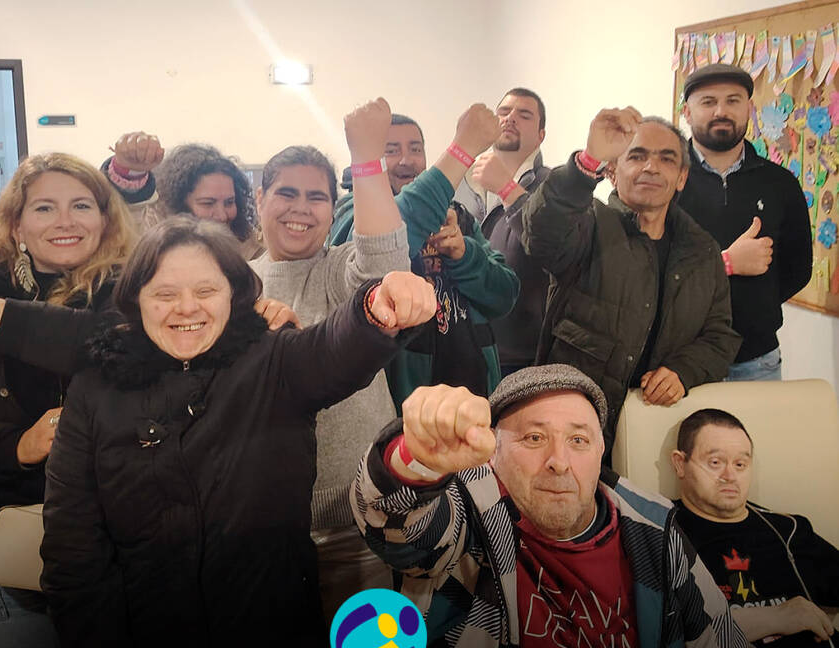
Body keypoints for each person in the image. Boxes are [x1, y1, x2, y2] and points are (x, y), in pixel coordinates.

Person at [0, 216, 437, 647]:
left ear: (235, 294)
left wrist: (377, 307)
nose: (186, 309)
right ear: (135, 299)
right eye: (164, 294)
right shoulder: (96, 388)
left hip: (272, 622)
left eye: (206, 291)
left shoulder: (274, 362)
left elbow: (336, 348)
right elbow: (71, 545)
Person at [351, 365, 749, 647]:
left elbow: (718, 636)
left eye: (578, 441)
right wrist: (416, 458)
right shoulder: (470, 513)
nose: (559, 461)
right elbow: (396, 526)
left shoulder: (655, 530)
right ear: (494, 454)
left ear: (600, 453)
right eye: (534, 438)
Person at [0, 153, 137, 647]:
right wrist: (15, 447)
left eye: (81, 205)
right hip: (3, 548)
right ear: (15, 224)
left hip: (123, 551)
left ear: (105, 218)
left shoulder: (138, 299)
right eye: (44, 208)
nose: (66, 222)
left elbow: (91, 341)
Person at [248, 98, 411, 620]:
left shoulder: (340, 270)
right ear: (259, 199)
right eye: (286, 193)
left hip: (358, 521)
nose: (301, 208)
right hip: (259, 528)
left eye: (316, 197)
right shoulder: (231, 282)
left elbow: (385, 268)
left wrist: (365, 158)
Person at [522, 107, 740, 453]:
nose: (651, 167)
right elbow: (541, 234)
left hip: (657, 435)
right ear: (612, 171)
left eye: (666, 159)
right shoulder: (587, 225)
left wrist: (683, 371)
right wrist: (587, 161)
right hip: (571, 429)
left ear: (682, 177)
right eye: (636, 156)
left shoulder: (702, 249)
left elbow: (719, 336)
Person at [328, 106, 519, 407]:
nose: (406, 160)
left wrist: (464, 253)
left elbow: (504, 296)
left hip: (477, 393)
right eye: (391, 150)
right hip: (403, 407)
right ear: (376, 160)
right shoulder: (354, 211)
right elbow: (381, 247)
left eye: (415, 149)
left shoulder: (459, 215)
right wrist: (462, 149)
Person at [678, 64, 812, 381]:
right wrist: (726, 263)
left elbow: (798, 269)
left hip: (757, 361)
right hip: (678, 359)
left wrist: (756, 303)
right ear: (687, 111)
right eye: (708, 101)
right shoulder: (664, 181)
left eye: (733, 100)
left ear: (749, 109)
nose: (721, 110)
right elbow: (647, 269)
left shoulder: (780, 183)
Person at [671, 409, 838, 646]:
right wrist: (775, 617)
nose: (730, 475)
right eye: (715, 462)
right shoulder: (661, 532)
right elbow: (663, 630)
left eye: (740, 464)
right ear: (680, 464)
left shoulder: (788, 530)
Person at [454, 87, 551, 376]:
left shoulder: (553, 186)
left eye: (524, 115)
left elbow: (554, 249)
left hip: (521, 357)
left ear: (541, 135)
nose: (510, 119)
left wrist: (507, 189)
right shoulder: (460, 184)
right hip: (460, 347)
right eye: (504, 112)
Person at [104, 132, 263, 259]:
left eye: (229, 202)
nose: (222, 215)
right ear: (177, 204)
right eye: (207, 203)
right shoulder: (152, 241)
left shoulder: (249, 247)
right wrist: (130, 170)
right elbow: (128, 222)